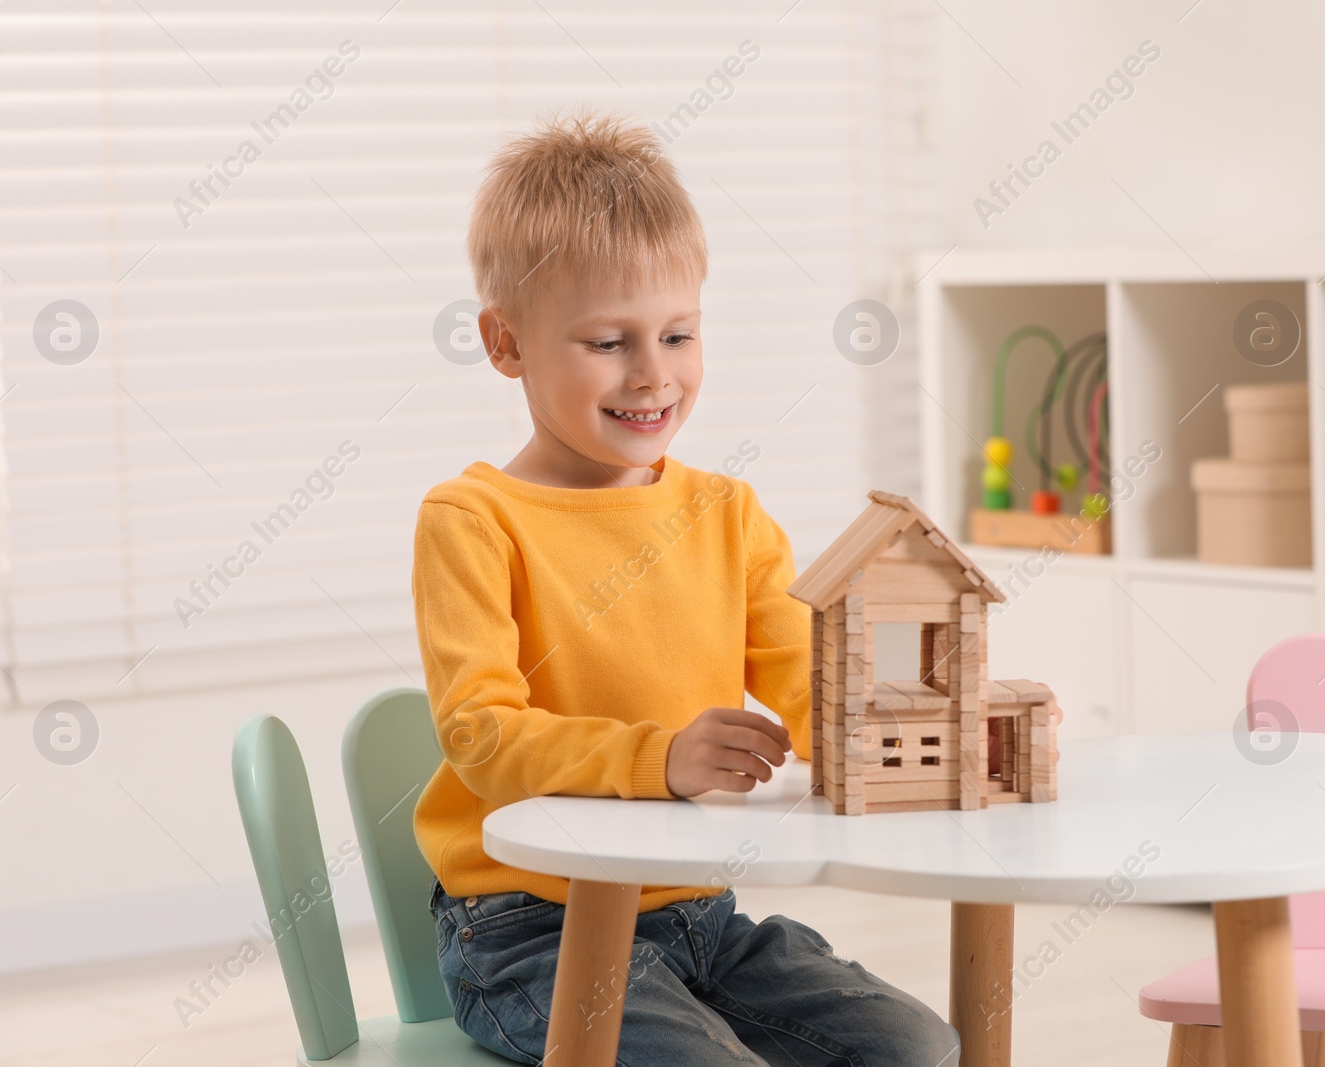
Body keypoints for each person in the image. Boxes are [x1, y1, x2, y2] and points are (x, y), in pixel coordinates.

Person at [410, 105, 960, 1066]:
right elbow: (481, 736)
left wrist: (932, 728)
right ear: (506, 344)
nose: (652, 375)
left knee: (913, 1045)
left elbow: (808, 677)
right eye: (607, 341)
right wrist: (658, 758)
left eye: (678, 334)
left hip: (695, 912)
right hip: (525, 928)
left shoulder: (727, 513)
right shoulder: (472, 520)